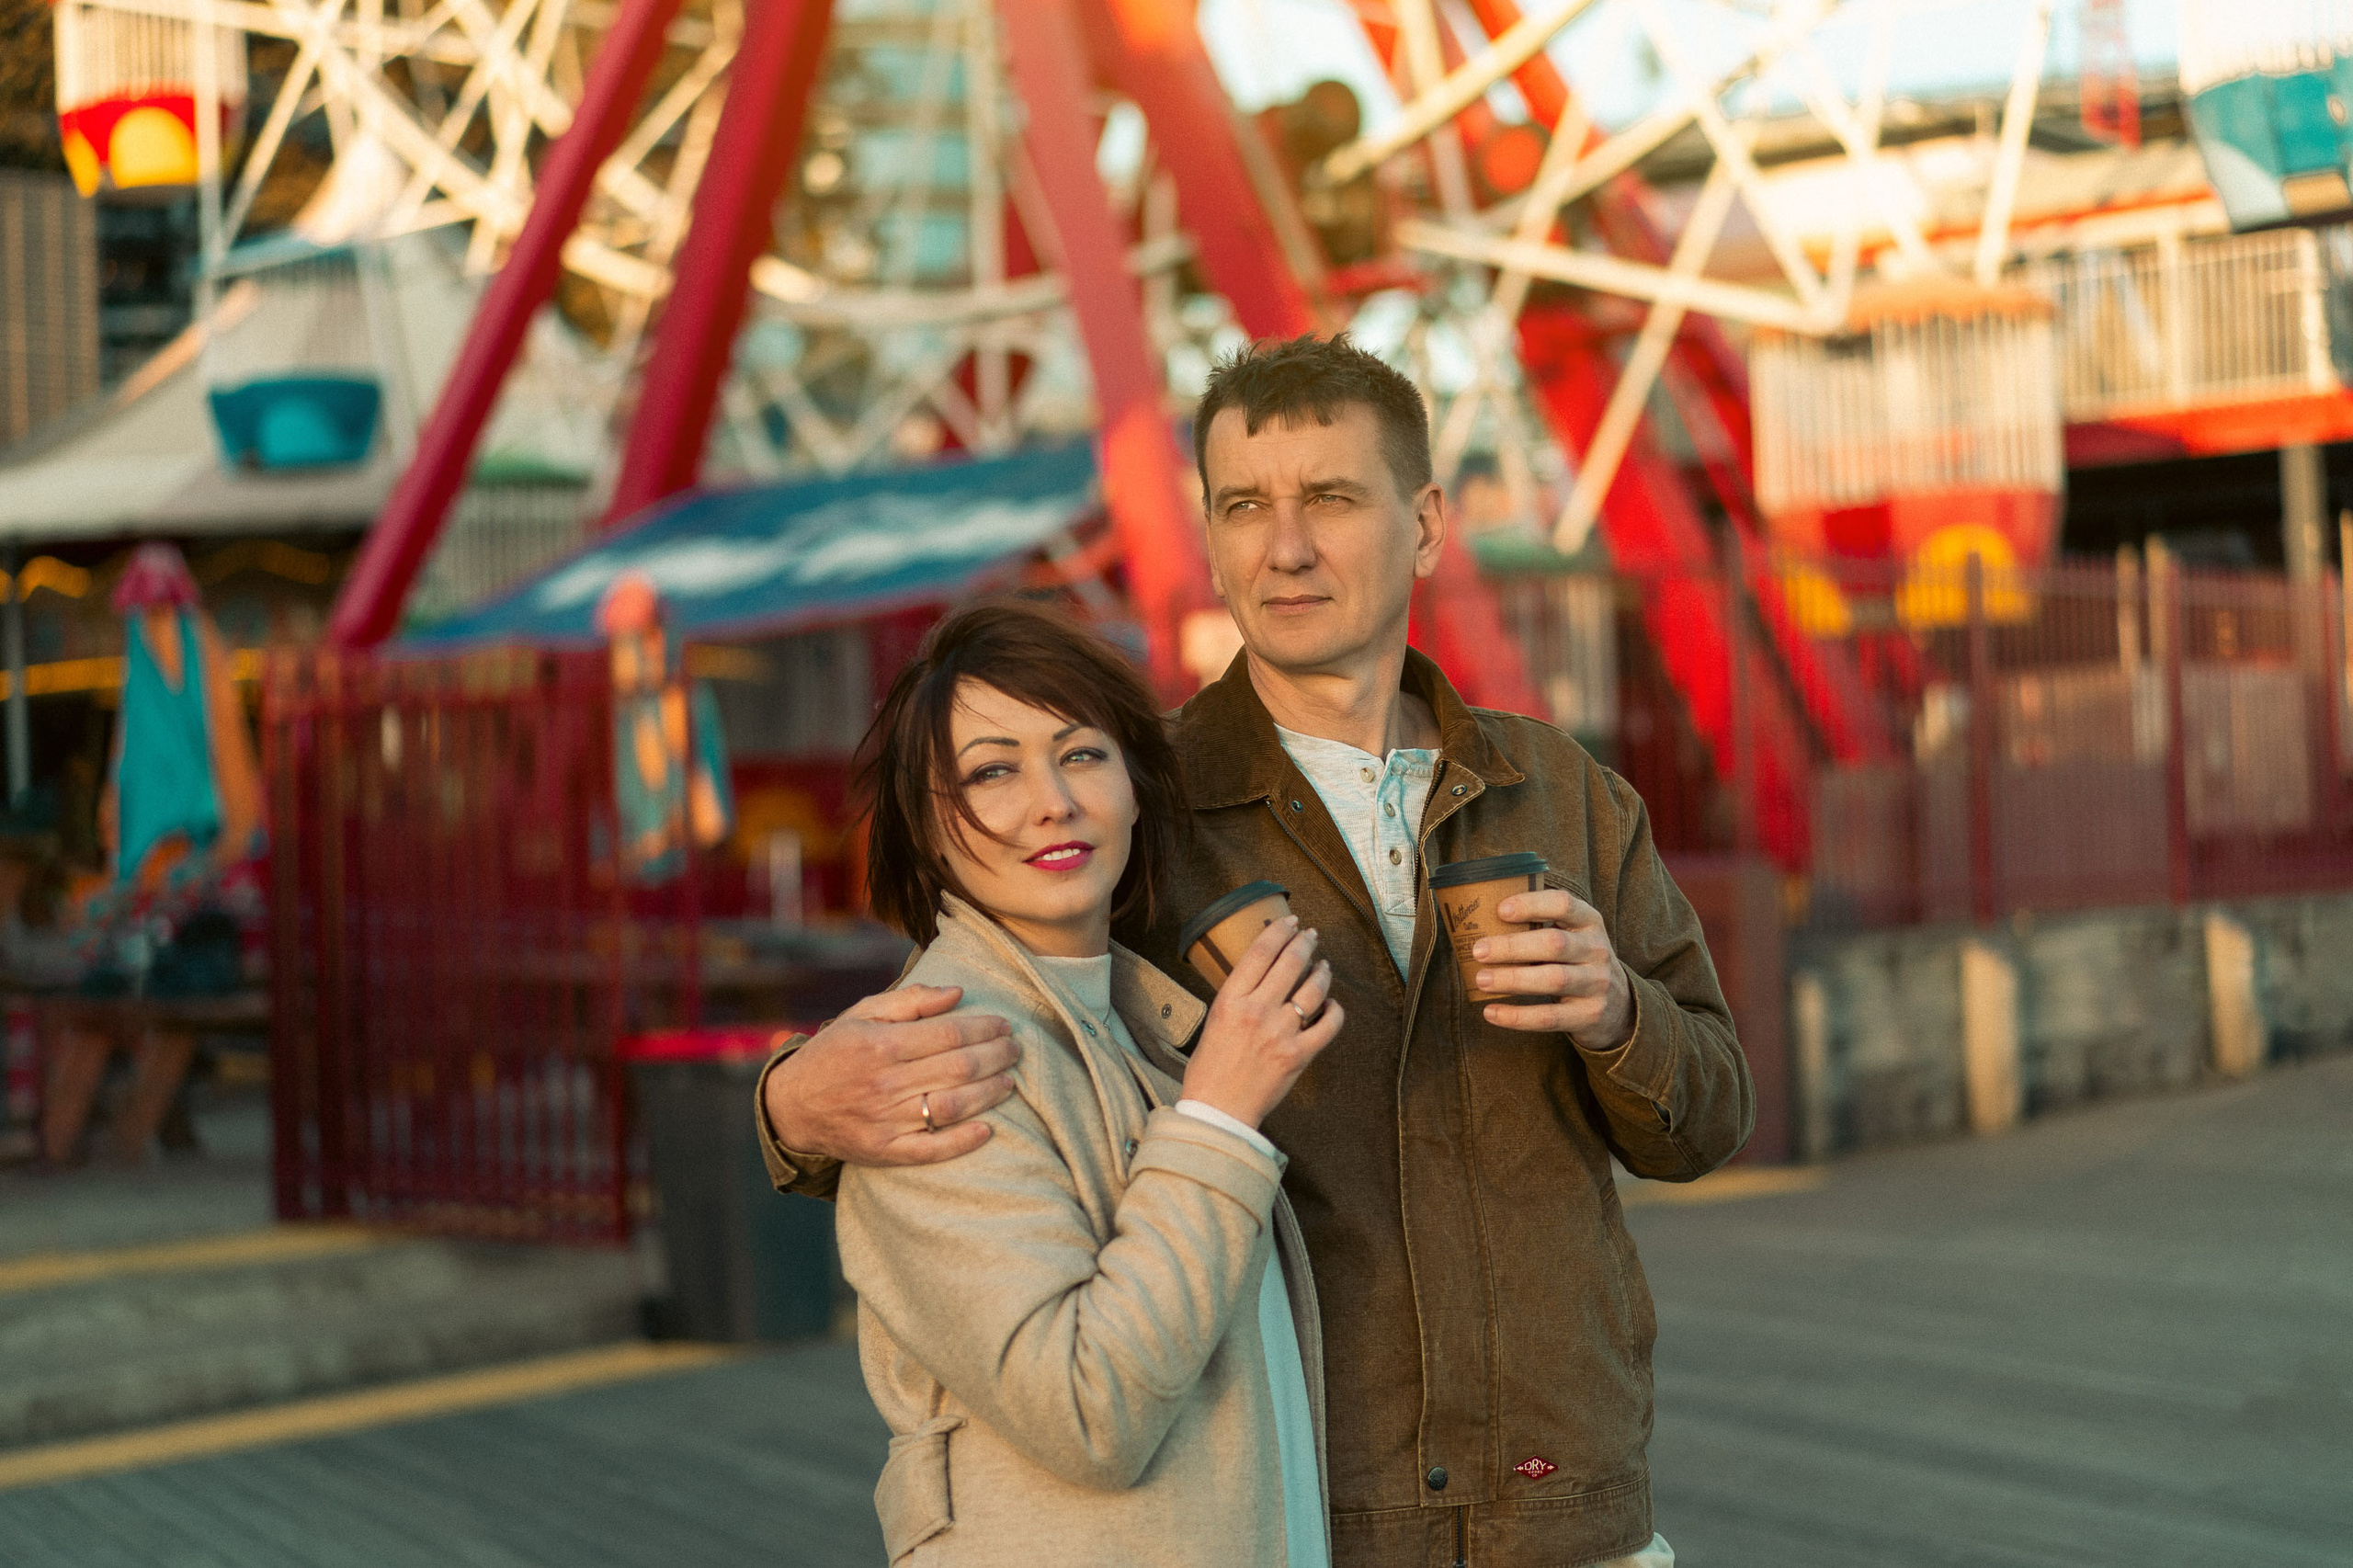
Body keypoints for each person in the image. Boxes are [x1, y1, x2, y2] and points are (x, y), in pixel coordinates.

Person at [761, 335, 1755, 1567]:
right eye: (1245, 506)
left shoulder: (1565, 795)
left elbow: (1708, 1118)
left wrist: (1616, 1011)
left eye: (1331, 498)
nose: (1285, 547)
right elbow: (985, 1036)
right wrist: (788, 1102)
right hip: (1299, 1514)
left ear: (1430, 523)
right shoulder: (1126, 808)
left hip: (1570, 1499)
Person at [833, 602, 1342, 1566]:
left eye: (1080, 754)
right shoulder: (942, 1054)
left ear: (1136, 786)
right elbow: (1087, 1408)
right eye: (991, 770)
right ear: (927, 827)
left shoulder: (1137, 1021)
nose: (1051, 801)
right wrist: (1222, 1116)